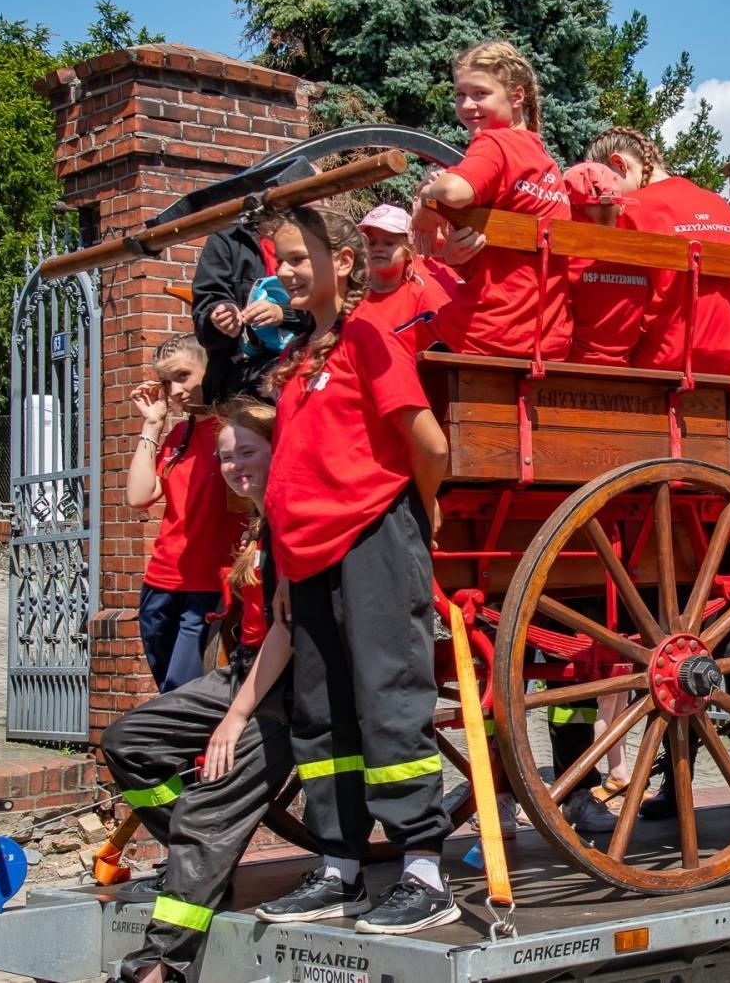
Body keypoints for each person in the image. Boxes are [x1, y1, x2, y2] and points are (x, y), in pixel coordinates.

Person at [255, 206, 456, 935]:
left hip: (373, 533)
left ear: (343, 261)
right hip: (305, 554)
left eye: (300, 258)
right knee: (320, 710)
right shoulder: (300, 354)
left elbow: (427, 445)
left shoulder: (368, 334)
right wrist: (282, 563)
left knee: (388, 696)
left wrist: (419, 510)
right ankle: (339, 867)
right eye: (279, 259)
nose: (285, 271)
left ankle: (424, 869)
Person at [104, 399, 296, 983]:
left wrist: (235, 718)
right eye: (226, 455)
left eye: (248, 451)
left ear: (278, 449)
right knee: (126, 741)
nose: (236, 464)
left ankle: (161, 963)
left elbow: (288, 633)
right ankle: (197, 854)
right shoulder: (258, 520)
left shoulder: (293, 522)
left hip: (287, 692)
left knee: (207, 817)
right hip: (241, 671)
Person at [414, 40, 573, 359]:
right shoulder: (545, 163)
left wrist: (425, 193)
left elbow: (454, 192)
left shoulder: (495, 143)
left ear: (517, 96)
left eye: (480, 93)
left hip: (490, 328)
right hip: (549, 335)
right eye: (460, 94)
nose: (467, 105)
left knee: (370, 345)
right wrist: (452, 253)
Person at [126, 334, 250, 694]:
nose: (175, 389)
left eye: (182, 375)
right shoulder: (179, 433)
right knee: (170, 692)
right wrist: (152, 425)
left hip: (210, 586)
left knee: (185, 691)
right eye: (166, 382)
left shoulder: (234, 430)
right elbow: (139, 496)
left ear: (209, 367)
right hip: (161, 584)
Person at [584, 127, 730, 374]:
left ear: (619, 164)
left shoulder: (632, 209)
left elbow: (615, 303)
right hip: (725, 358)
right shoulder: (719, 205)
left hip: (662, 362)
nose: (609, 195)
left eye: (605, 183)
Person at [191, 223, 312, 405]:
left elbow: (329, 305)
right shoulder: (227, 240)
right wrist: (221, 320)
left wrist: (283, 313)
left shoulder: (314, 238)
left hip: (308, 357)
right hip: (242, 371)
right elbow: (207, 310)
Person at [562, 160, 648, 367]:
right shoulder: (641, 257)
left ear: (571, 210)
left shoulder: (564, 259)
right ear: (619, 209)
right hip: (626, 372)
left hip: (569, 371)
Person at [355, 204, 458, 344]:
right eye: (371, 243)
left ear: (409, 252)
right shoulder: (353, 296)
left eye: (389, 243)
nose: (378, 248)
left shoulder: (419, 297)